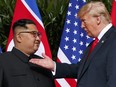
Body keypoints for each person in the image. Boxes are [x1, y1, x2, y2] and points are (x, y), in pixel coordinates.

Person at [29, 1, 116, 87]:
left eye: (84, 21)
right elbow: (81, 69)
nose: (82, 26)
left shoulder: (113, 39)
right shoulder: (95, 43)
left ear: (98, 19)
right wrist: (54, 66)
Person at [0, 19, 55, 87]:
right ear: (19, 37)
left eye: (38, 34)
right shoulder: (2, 61)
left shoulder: (44, 63)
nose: (38, 38)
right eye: (34, 34)